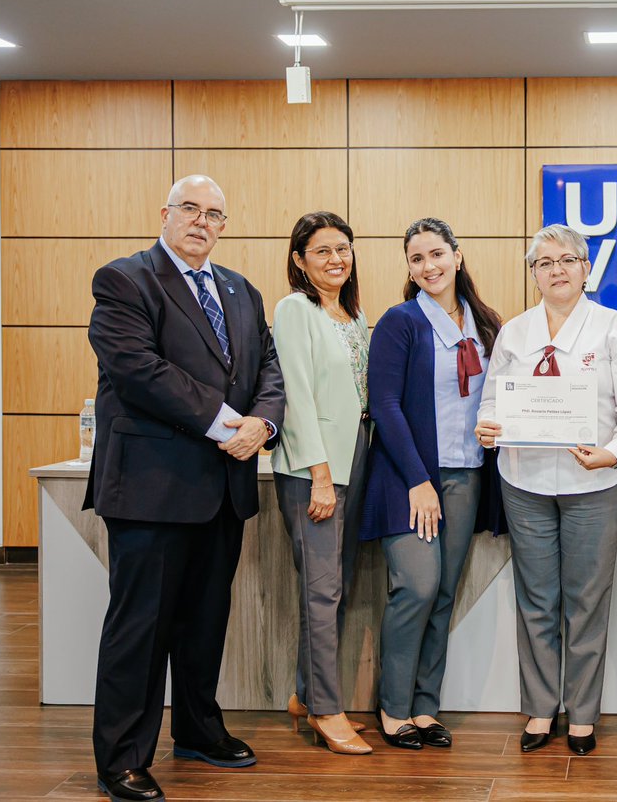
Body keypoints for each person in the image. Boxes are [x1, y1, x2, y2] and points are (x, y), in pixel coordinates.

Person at [84, 175, 285, 802]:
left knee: (205, 620)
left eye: (215, 213)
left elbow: (269, 369)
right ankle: (122, 757)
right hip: (152, 487)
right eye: (190, 209)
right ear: (165, 213)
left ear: (224, 225)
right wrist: (230, 423)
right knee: (141, 626)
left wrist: (265, 422)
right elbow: (139, 371)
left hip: (223, 486)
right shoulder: (125, 280)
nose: (202, 221)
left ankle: (199, 729)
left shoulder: (241, 291)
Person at [475, 224, 617, 756]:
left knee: (586, 599)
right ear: (533, 274)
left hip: (592, 482)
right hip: (523, 480)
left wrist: (614, 453)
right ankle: (540, 708)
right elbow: (491, 402)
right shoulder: (515, 333)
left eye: (566, 260)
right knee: (536, 599)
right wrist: (487, 426)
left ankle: (582, 714)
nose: (556, 270)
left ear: (585, 267)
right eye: (544, 262)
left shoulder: (614, 328)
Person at [362, 218, 505, 750]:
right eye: (417, 258)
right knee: (416, 588)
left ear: (458, 256)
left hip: (467, 474)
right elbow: (386, 406)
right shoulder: (400, 323)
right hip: (409, 478)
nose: (429, 266)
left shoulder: (485, 322)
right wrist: (418, 480)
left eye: (437, 254)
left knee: (443, 593)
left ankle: (425, 708)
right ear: (409, 267)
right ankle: (393, 707)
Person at [271, 212, 372, 755]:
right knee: (320, 589)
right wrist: (320, 476)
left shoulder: (351, 313)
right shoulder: (295, 310)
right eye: (323, 251)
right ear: (299, 260)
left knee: (336, 587)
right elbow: (296, 398)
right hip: (316, 470)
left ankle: (307, 693)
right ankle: (327, 712)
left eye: (344, 249)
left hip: (355, 461)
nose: (337, 260)